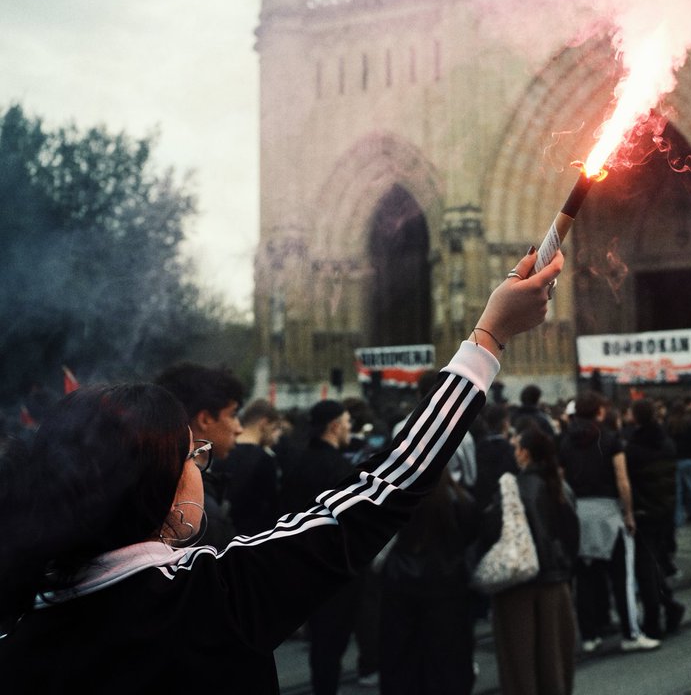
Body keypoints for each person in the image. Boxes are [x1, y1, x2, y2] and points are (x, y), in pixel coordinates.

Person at [0, 247, 562, 693]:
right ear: (159, 494)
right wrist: (489, 336)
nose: (206, 465)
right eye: (192, 457)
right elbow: (388, 483)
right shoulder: (215, 597)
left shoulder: (23, 635)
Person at [559, 390, 656, 651]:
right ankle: (631, 634)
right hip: (609, 513)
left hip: (579, 513)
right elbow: (622, 481)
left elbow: (559, 482)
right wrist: (628, 513)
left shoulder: (564, 441)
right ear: (599, 412)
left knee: (586, 578)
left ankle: (589, 636)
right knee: (622, 577)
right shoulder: (611, 439)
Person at [488, 428, 580, 695]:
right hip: (555, 584)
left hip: (518, 584)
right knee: (553, 661)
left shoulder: (511, 488)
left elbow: (491, 529)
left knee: (520, 665)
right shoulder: (562, 488)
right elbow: (572, 536)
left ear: (524, 454)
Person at [378, 468, 479, 695]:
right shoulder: (462, 501)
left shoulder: (398, 500)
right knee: (448, 665)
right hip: (449, 588)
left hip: (401, 586)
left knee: (402, 663)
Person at [154, 361, 246, 548]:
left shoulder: (152, 484)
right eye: (233, 414)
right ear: (205, 419)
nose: (239, 429)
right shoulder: (198, 513)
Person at [624, 399, 686, 639]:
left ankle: (654, 618)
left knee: (645, 568)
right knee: (655, 563)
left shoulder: (634, 448)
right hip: (664, 510)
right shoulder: (667, 443)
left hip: (645, 512)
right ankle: (669, 606)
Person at [224, 398, 283, 536]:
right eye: (274, 428)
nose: (276, 437)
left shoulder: (222, 453)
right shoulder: (265, 459)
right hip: (252, 538)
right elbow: (271, 509)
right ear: (264, 423)